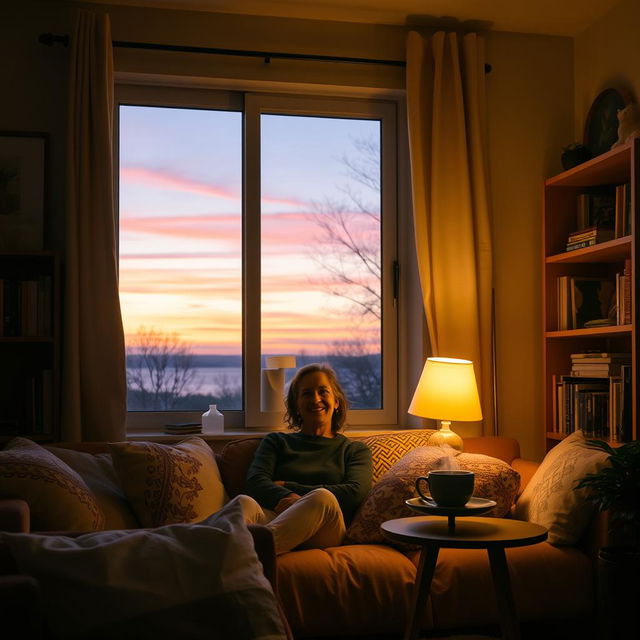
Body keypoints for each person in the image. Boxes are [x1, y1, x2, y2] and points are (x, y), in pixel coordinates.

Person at [236, 363, 372, 555]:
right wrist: (287, 497)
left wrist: (290, 488)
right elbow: (254, 482)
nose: (316, 399)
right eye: (307, 394)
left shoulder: (354, 450)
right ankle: (244, 551)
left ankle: (243, 552)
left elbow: (355, 493)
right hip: (278, 518)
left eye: (323, 391)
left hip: (326, 527)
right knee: (244, 502)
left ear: (336, 402)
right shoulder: (276, 441)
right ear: (296, 405)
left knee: (322, 497)